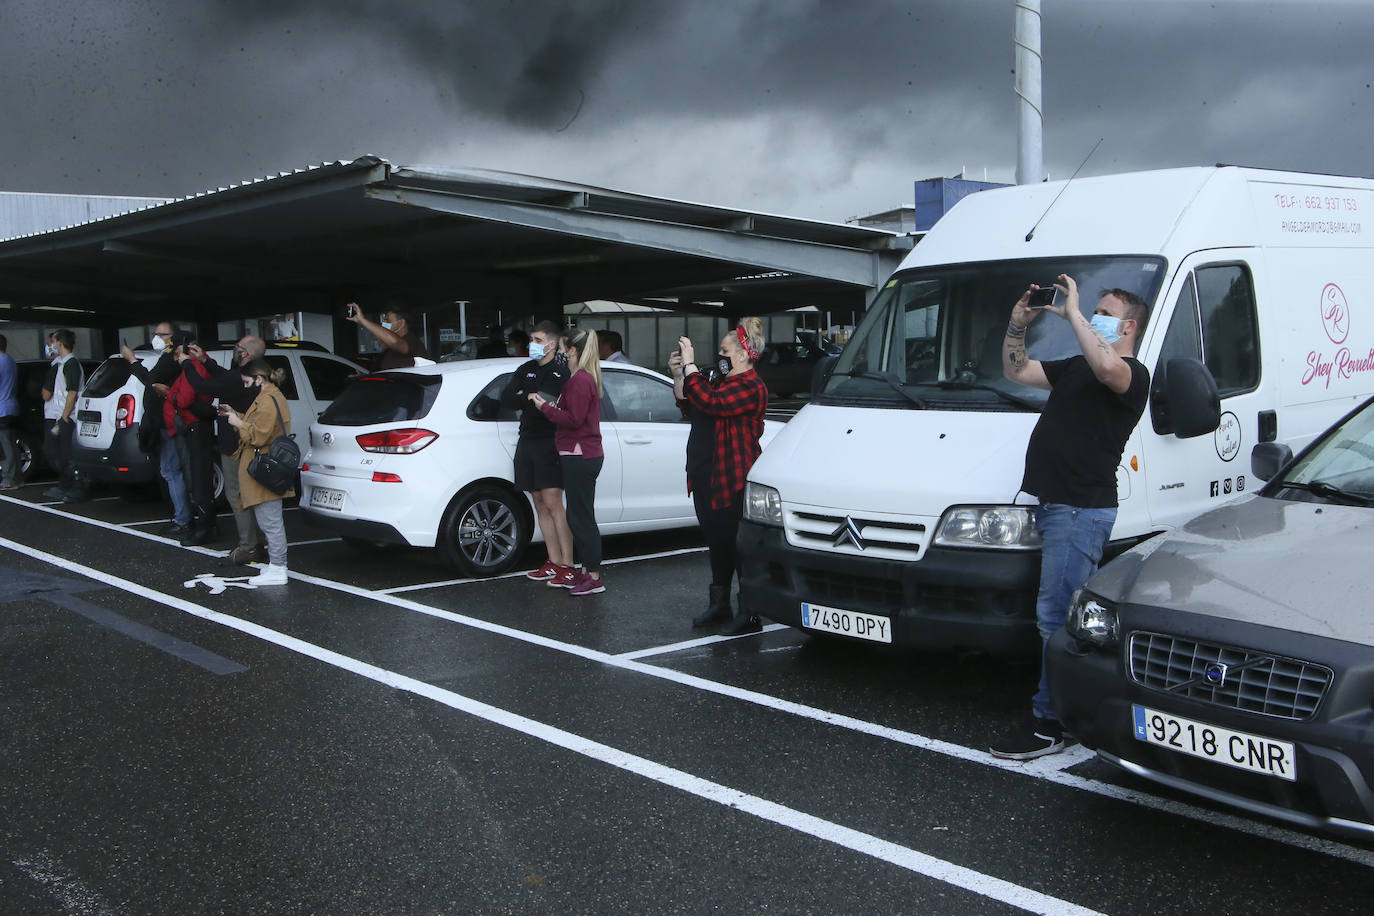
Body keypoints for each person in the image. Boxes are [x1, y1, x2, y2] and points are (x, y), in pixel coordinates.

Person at [991, 275, 1151, 760]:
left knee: (1057, 619)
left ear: (1127, 325)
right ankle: (1070, 710)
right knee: (1063, 616)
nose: (1092, 315)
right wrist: (1017, 326)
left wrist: (1076, 312)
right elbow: (1018, 371)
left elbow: (1108, 368)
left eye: (1104, 310)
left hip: (1082, 509)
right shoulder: (1078, 366)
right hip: (1057, 506)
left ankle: (1051, 722)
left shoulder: (1131, 373)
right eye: (1092, 309)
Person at [676, 318, 770, 634]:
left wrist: (691, 367)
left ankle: (749, 613)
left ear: (743, 353)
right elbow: (691, 404)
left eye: (725, 350)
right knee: (717, 543)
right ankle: (720, 605)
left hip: (733, 476)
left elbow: (711, 402)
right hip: (706, 473)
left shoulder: (751, 385)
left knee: (738, 545)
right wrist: (680, 373)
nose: (720, 355)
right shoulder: (720, 380)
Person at [529, 328, 606, 596]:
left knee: (581, 516)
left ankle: (593, 575)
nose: (560, 354)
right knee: (579, 514)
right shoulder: (582, 379)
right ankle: (587, 571)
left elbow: (573, 419)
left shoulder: (580, 380)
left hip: (580, 453)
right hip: (579, 453)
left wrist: (545, 408)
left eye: (562, 349)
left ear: (573, 351)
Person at [501, 321, 574, 584]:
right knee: (539, 503)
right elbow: (507, 399)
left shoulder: (560, 373)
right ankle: (553, 561)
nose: (533, 343)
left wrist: (530, 397)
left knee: (554, 503)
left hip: (550, 441)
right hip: (527, 440)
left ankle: (568, 563)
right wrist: (529, 397)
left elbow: (545, 405)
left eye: (538, 339)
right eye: (532, 338)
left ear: (552, 344)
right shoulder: (524, 368)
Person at [185, 336, 268, 565]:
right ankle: (256, 542)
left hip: (234, 444)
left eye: (238, 347)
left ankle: (248, 546)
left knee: (236, 495)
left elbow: (203, 386)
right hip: (249, 442)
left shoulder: (237, 378)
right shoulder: (253, 375)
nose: (235, 350)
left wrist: (187, 363)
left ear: (245, 354)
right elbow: (224, 378)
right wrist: (205, 360)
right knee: (252, 495)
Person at [221, 358, 293, 585]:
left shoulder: (268, 400)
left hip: (264, 467)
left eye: (246, 382)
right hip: (266, 465)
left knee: (270, 522)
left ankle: (278, 569)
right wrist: (236, 415)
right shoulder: (271, 396)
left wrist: (238, 422)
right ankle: (276, 567)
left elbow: (259, 435)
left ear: (258, 379)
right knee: (269, 521)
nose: (244, 386)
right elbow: (261, 428)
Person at [124, 322, 193, 536]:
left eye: (162, 335)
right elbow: (152, 383)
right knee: (169, 470)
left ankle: (182, 518)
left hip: (167, 422)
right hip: (162, 422)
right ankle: (180, 515)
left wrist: (133, 361)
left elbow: (150, 380)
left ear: (174, 338)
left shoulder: (173, 360)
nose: (157, 338)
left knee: (171, 471)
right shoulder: (167, 358)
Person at [165, 340, 220, 546]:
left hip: (195, 426)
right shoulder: (198, 366)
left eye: (178, 354)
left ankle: (205, 527)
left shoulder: (194, 368)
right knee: (198, 475)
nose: (177, 359)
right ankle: (206, 525)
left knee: (199, 477)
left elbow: (183, 399)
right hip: (196, 425)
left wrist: (174, 397)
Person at [41, 329, 88, 502]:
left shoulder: (71, 364)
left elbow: (72, 392)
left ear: (60, 342)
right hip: (59, 415)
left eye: (53, 341)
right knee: (56, 453)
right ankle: (65, 484)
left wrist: (64, 417)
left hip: (66, 417)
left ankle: (76, 486)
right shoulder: (60, 364)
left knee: (65, 454)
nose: (51, 345)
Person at [345, 302, 429, 369]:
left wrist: (362, 320)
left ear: (401, 323)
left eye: (387, 319)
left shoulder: (412, 342)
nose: (384, 322)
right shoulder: (388, 350)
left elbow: (395, 342)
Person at [0, 334, 19, 489]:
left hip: (2, 409)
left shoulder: (0, 362)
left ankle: (8, 479)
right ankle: (16, 477)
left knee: (5, 445)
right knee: (11, 443)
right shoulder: (10, 360)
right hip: (12, 406)